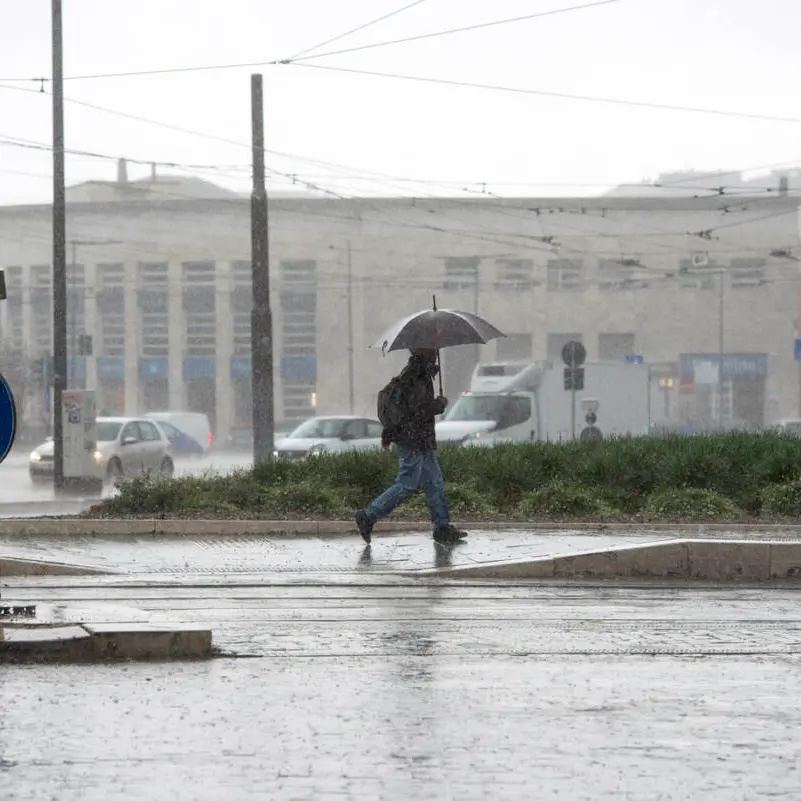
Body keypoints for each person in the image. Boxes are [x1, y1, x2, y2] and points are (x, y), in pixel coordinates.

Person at [354, 347, 468, 545]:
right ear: (423, 352)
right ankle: (368, 515)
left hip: (421, 439)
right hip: (413, 439)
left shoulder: (421, 374)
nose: (436, 353)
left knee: (434, 482)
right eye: (432, 349)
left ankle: (442, 528)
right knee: (407, 483)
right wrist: (437, 405)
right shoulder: (414, 377)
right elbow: (416, 412)